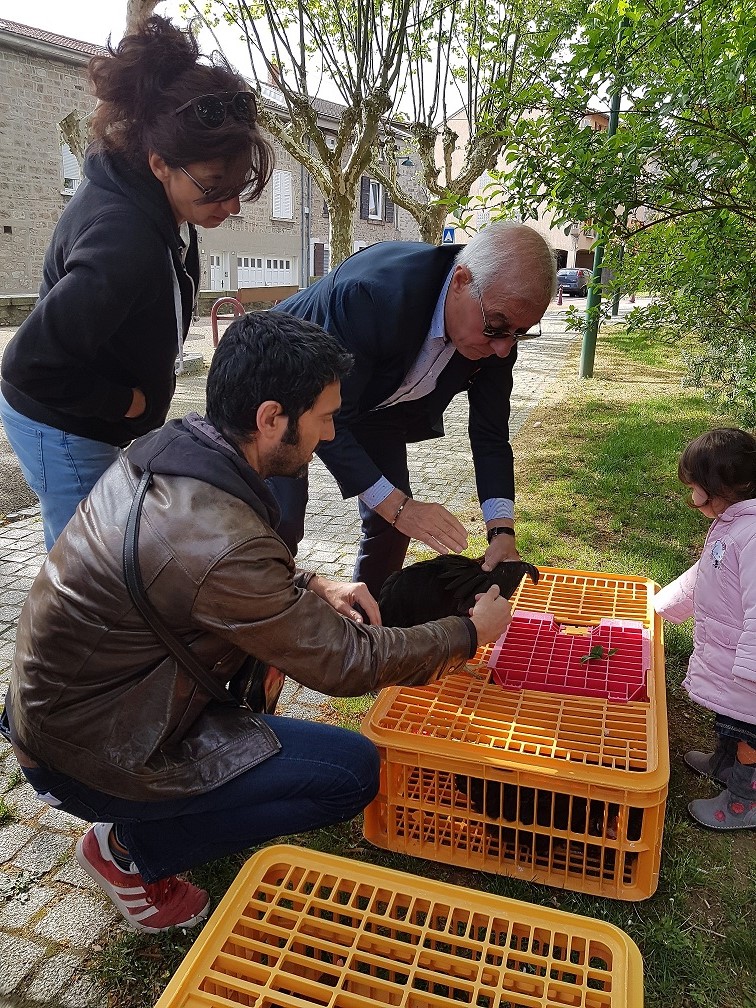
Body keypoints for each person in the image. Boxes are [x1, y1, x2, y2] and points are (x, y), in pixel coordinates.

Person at [1, 310, 511, 933]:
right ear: (271, 418)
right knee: (349, 774)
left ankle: (155, 818)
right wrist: (469, 633)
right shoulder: (218, 538)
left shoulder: (175, 451)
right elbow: (348, 662)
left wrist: (311, 585)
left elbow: (198, 576)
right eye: (324, 417)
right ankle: (130, 853)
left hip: (70, 716)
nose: (329, 434)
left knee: (271, 667)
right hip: (86, 753)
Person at [0, 16, 273, 550]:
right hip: (62, 424)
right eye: (215, 189)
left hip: (95, 419)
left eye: (238, 187)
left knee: (115, 550)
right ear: (158, 163)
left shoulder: (158, 202)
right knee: (90, 566)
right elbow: (26, 363)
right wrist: (124, 402)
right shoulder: (125, 238)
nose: (231, 205)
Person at [269, 221, 556, 599]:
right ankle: (263, 626)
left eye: (520, 332)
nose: (504, 348)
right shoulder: (373, 295)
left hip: (378, 401)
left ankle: (368, 626)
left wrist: (501, 530)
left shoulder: (495, 331)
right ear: (460, 281)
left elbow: (491, 435)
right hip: (281, 387)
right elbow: (331, 416)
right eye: (497, 327)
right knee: (279, 521)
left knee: (393, 525)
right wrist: (400, 507)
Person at [653, 427, 756, 830]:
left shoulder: (751, 536)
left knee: (752, 734)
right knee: (732, 719)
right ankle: (724, 763)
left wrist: (752, 671)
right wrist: (664, 605)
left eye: (695, 489)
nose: (691, 498)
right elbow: (706, 575)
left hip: (747, 668)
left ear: (718, 490)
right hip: (732, 658)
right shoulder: (734, 522)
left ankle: (744, 800)